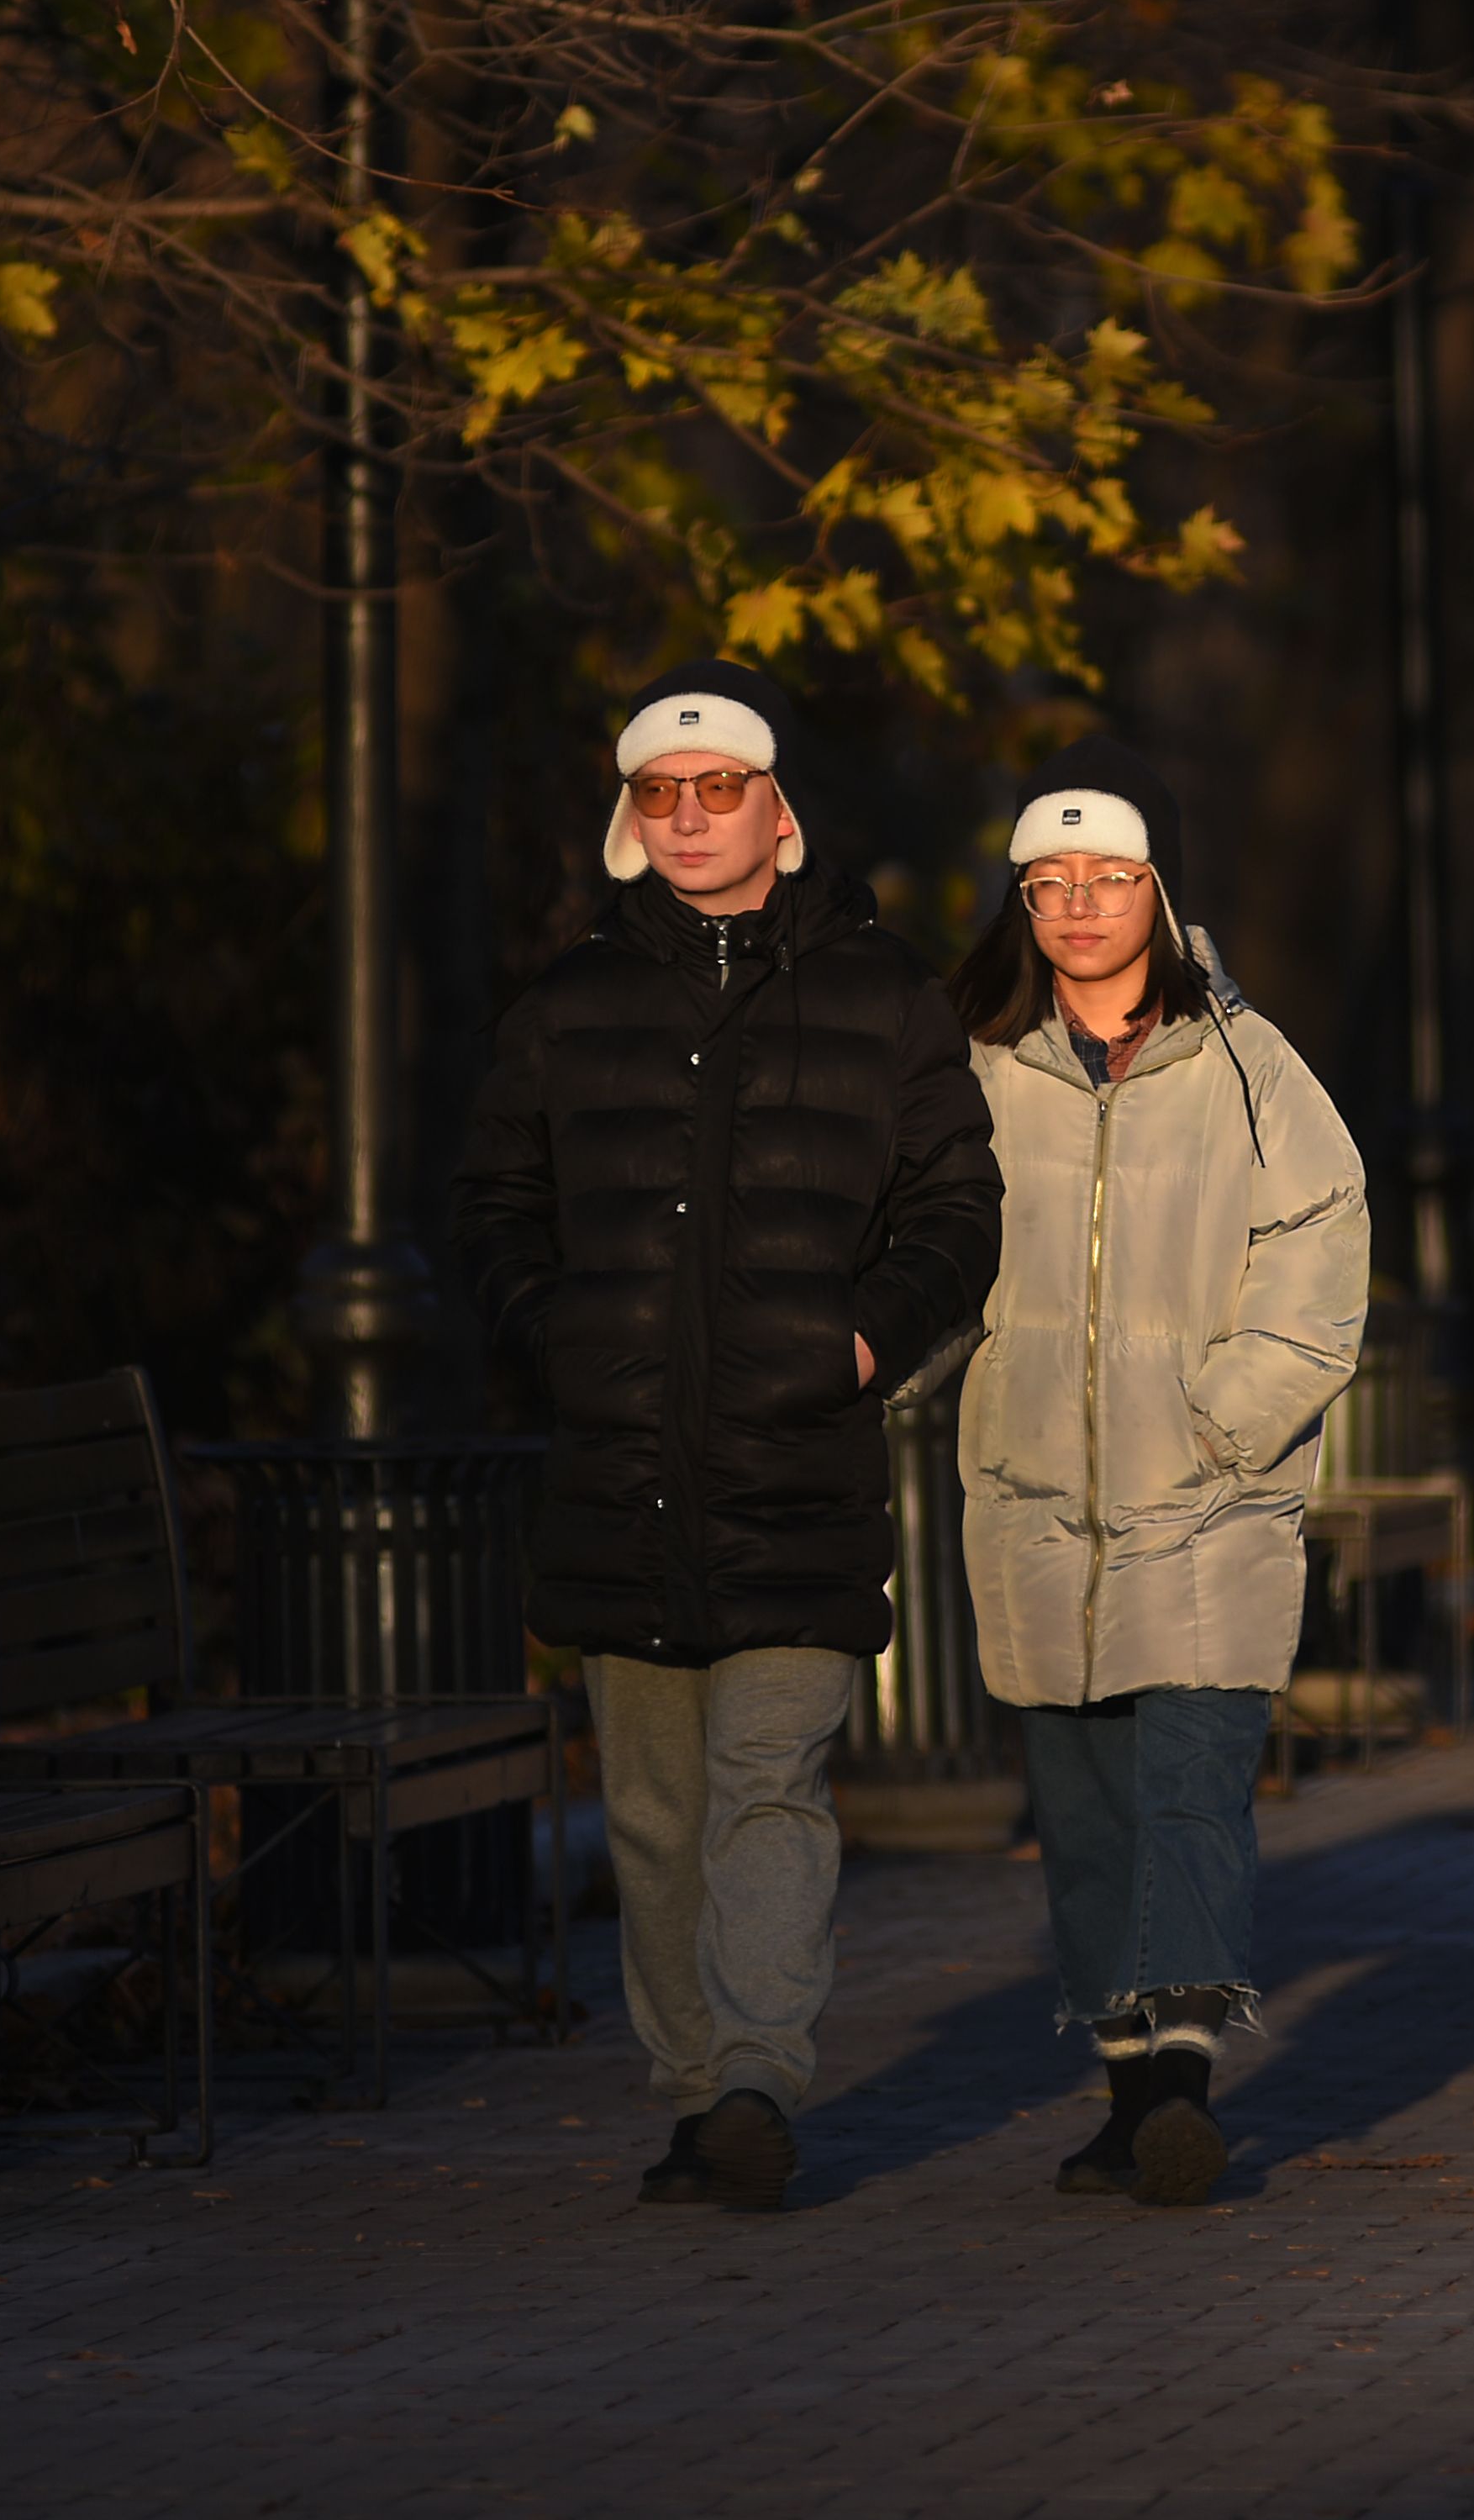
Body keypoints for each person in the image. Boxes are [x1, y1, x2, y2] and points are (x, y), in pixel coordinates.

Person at [449, 660, 1004, 2215]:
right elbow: (489, 1204)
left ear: (779, 811)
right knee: (651, 1810)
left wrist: (865, 1338)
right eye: (657, 792)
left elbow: (958, 1206)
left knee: (771, 1780)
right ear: (629, 821)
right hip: (616, 1475)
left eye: (716, 788)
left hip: (794, 1469)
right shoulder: (567, 1002)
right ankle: (699, 2096)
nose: (688, 816)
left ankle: (757, 2076)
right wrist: (554, 1328)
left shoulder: (882, 994)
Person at [951, 737, 1366, 2209]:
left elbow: (1320, 1241)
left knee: (1190, 1787)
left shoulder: (1247, 1064)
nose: (1075, 905)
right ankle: (1127, 2088)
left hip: (1205, 1498)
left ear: (1160, 889)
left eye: (1107, 876)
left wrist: (1227, 1416)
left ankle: (1184, 2078)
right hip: (1035, 1503)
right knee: (1084, 1811)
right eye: (1046, 880)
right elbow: (934, 1255)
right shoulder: (982, 1067)